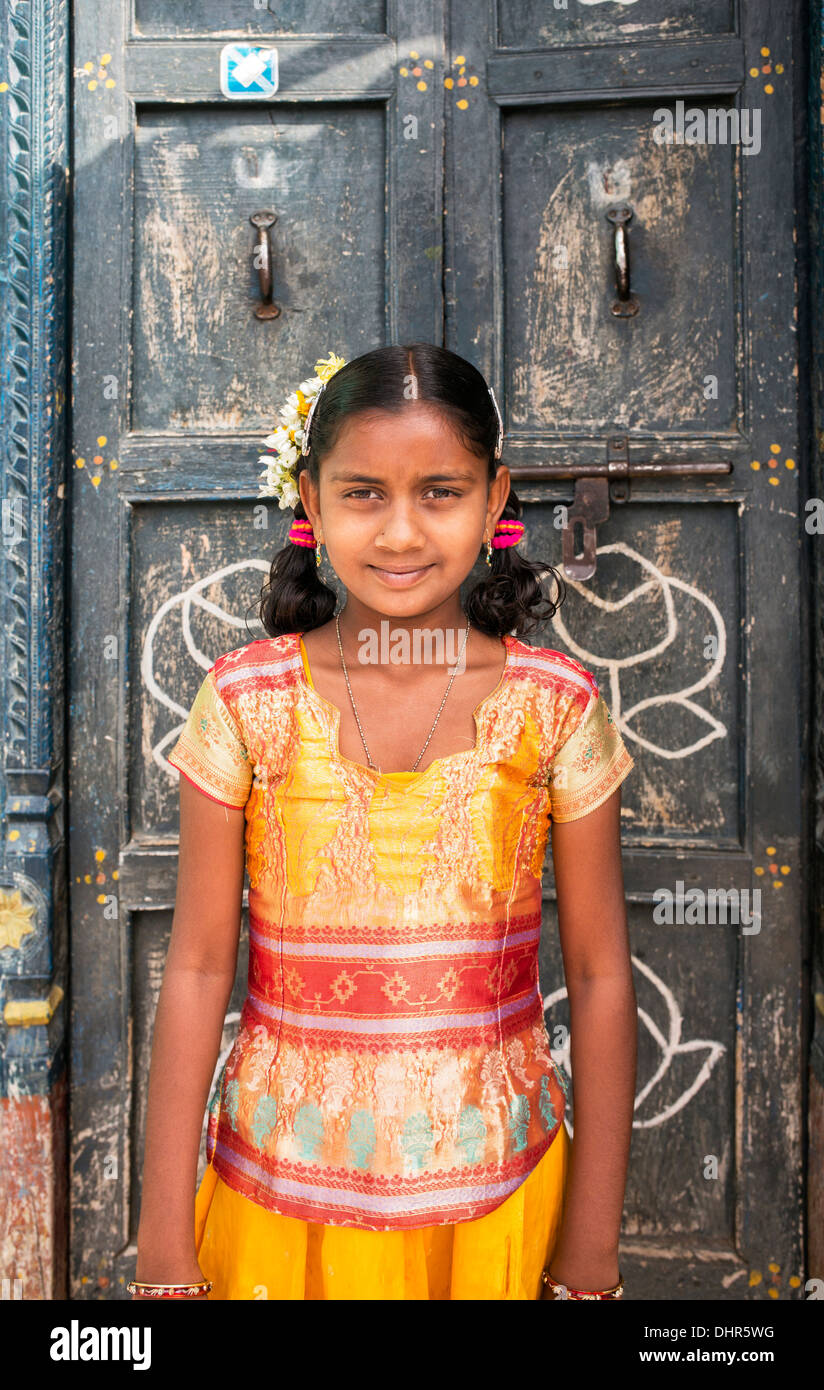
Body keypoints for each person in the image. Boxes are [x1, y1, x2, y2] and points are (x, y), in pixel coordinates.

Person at [130, 343, 636, 1302]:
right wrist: (162, 1246)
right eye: (364, 494)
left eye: (439, 493)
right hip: (277, 1195)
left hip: (500, 1190)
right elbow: (198, 967)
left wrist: (591, 1247)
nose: (401, 532)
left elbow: (605, 975)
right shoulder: (245, 702)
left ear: (497, 500)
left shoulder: (555, 706)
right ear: (311, 504)